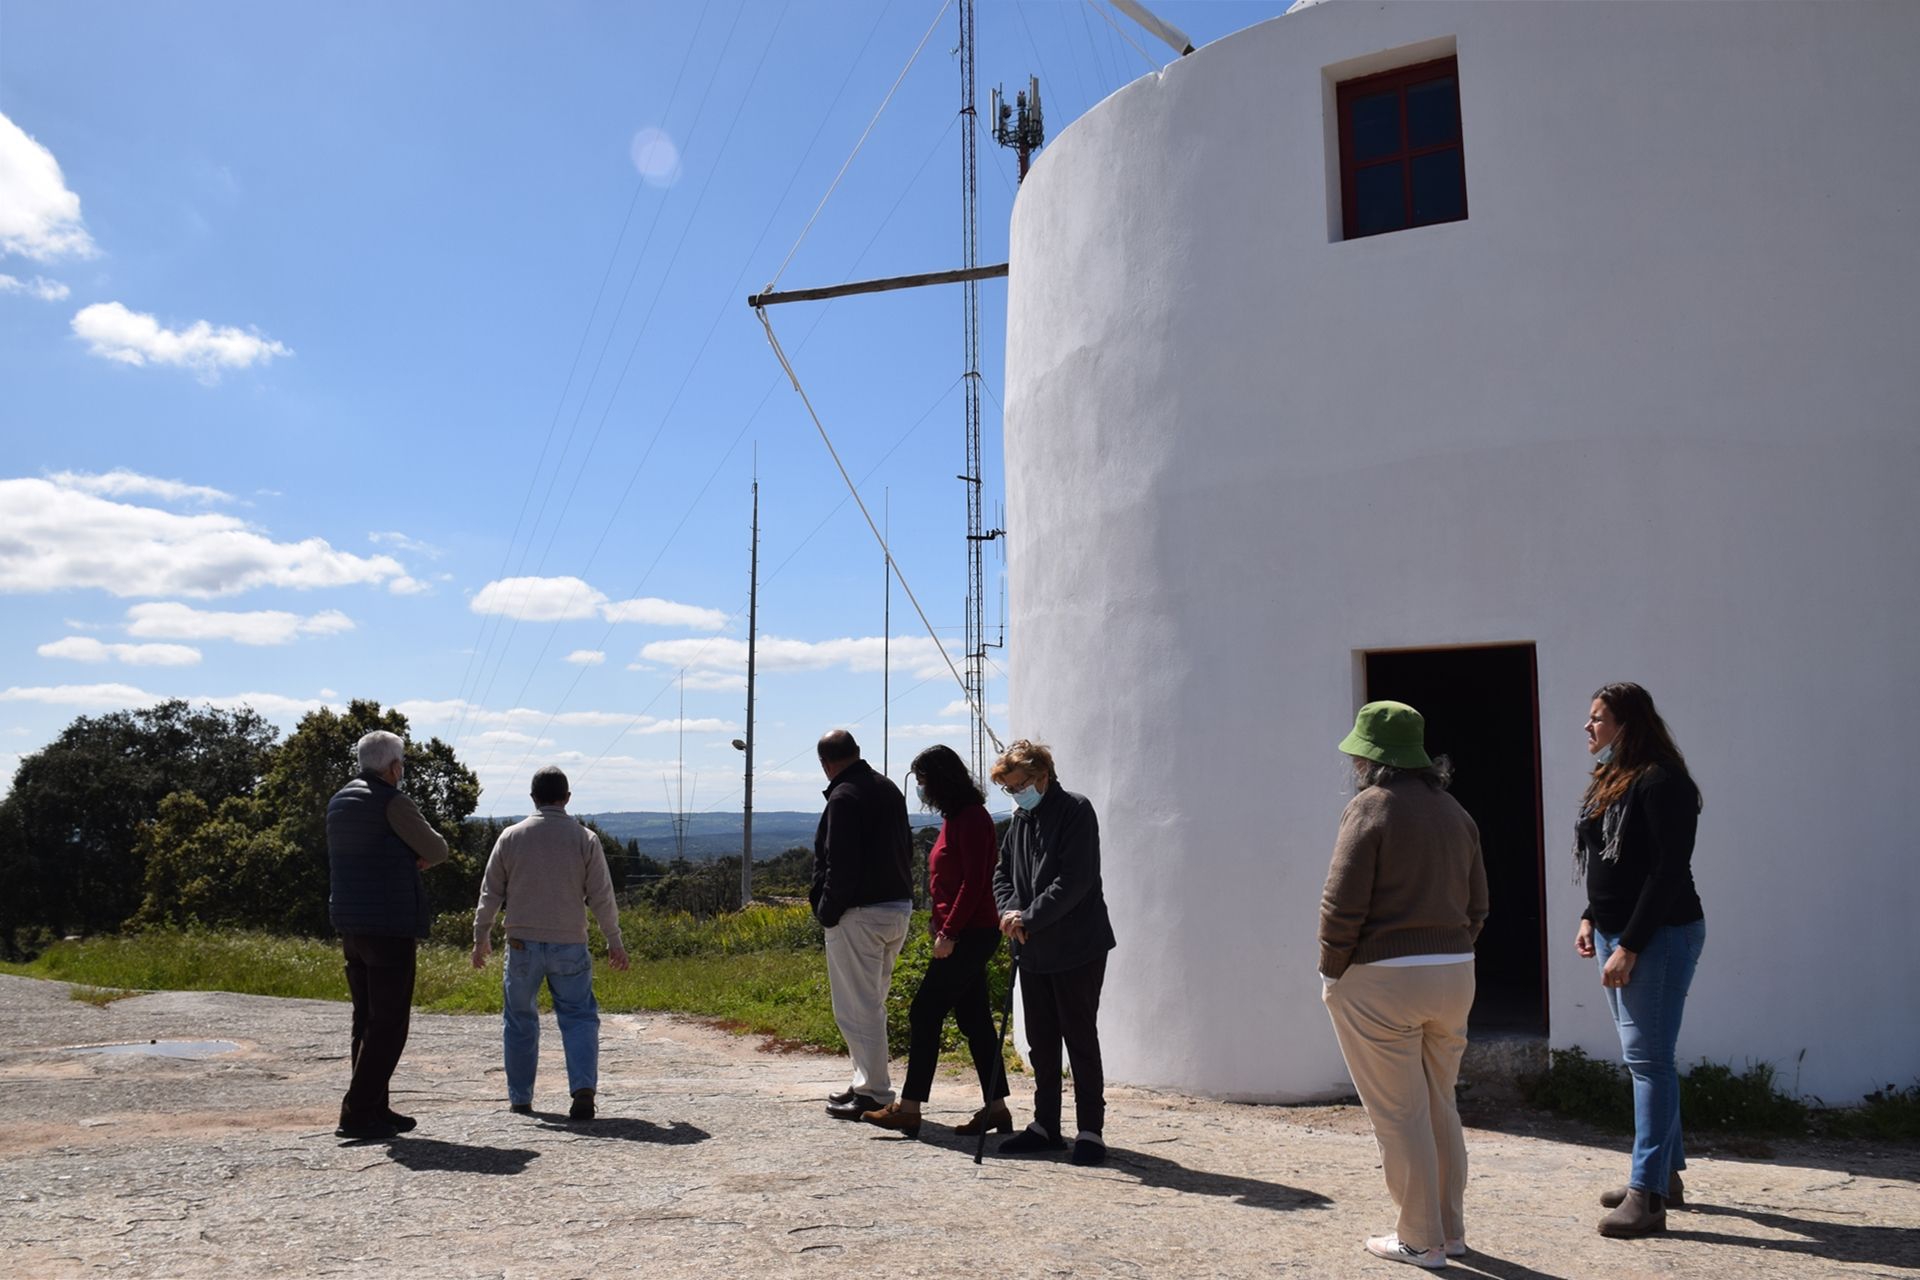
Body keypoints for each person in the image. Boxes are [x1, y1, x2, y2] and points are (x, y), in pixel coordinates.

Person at [1319, 701, 1488, 1271]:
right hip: (1454, 971)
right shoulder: (1455, 811)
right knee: (1440, 1104)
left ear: (1371, 758)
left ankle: (1420, 1239)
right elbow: (1479, 904)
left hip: (1384, 978)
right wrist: (1451, 949)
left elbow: (1341, 903)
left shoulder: (1370, 807)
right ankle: (1451, 1230)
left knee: (1399, 1115)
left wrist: (1331, 968)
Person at [1575, 682, 1705, 1238]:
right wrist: (1590, 916)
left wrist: (1629, 944)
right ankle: (1662, 1175)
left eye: (1598, 718)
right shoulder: (1614, 779)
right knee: (1649, 1058)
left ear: (1628, 724)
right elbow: (1614, 863)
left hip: (1658, 935)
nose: (1589, 727)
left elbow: (1666, 870)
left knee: (1648, 1061)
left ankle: (1648, 1197)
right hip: (1616, 933)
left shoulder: (1663, 782)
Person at [861, 744, 1010, 1138]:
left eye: (924, 782)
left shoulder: (973, 819)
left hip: (970, 934)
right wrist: (940, 923)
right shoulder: (955, 818)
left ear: (941, 781)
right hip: (961, 932)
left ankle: (909, 1109)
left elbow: (975, 883)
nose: (922, 790)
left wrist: (949, 932)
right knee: (975, 1019)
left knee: (924, 1011)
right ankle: (996, 1108)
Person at [471, 766, 631, 1122]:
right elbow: (602, 896)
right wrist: (614, 941)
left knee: (520, 1020)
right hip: (570, 944)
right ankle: (583, 1090)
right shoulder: (584, 839)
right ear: (567, 798)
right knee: (578, 1017)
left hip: (522, 944)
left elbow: (490, 891)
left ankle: (521, 1098)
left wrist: (481, 935)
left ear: (533, 798)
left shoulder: (510, 837)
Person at [990, 739, 1117, 1166]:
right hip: (1032, 946)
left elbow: (1075, 880)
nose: (1015, 794)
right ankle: (1045, 1126)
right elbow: (1002, 872)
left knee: (1079, 1038)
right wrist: (1010, 913)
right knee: (1042, 1041)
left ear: (1042, 777)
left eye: (1019, 785)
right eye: (1008, 788)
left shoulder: (1076, 810)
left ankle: (1090, 1132)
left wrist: (1028, 917)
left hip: (1077, 947)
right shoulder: (1021, 819)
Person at [326, 729, 450, 1140]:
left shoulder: (340, 800)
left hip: (350, 922)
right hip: (388, 925)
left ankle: (376, 1107)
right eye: (402, 765)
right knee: (390, 1023)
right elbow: (436, 850)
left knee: (365, 1018)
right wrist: (414, 859)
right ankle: (357, 1111)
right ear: (394, 767)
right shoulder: (393, 802)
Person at [811, 729, 914, 1119]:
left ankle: (873, 1091)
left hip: (860, 914)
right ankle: (863, 1081)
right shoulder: (887, 788)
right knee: (871, 1003)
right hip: (897, 908)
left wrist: (827, 910)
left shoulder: (843, 796)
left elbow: (841, 863)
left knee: (857, 1008)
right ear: (856, 752)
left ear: (826, 764)